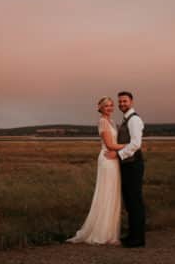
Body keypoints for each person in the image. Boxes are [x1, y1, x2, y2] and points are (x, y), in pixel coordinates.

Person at [67, 96, 127, 245]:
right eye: (106, 106)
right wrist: (131, 145)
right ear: (100, 108)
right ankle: (101, 233)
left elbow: (115, 144)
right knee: (106, 193)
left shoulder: (112, 121)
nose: (110, 108)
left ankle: (110, 233)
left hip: (114, 160)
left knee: (113, 193)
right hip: (107, 160)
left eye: (111, 105)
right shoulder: (102, 122)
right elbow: (110, 145)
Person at [105, 91, 146, 247]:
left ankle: (138, 239)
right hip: (128, 164)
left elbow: (136, 144)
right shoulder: (126, 119)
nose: (122, 104)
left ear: (131, 102)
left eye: (125, 101)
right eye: (120, 102)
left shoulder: (134, 120)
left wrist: (118, 154)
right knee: (129, 200)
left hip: (134, 164)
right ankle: (132, 235)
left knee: (135, 200)